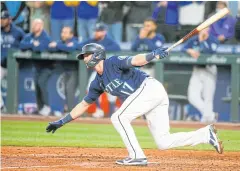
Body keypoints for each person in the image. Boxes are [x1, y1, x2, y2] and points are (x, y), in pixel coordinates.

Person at [46, 43, 223, 166]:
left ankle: (137, 156)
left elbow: (134, 60)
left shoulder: (112, 62)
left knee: (118, 117)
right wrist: (62, 121)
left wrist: (152, 55)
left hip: (150, 89)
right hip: (148, 97)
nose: (84, 58)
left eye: (87, 54)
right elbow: (84, 105)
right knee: (163, 142)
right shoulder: (97, 82)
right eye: (84, 56)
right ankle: (205, 134)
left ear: (97, 54)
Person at [182, 28, 219, 123]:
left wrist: (203, 41)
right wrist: (189, 50)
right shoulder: (194, 39)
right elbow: (183, 48)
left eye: (206, 28)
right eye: (203, 28)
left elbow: (210, 53)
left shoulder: (213, 39)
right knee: (192, 96)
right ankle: (210, 115)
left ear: (209, 29)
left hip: (209, 69)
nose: (204, 30)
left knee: (208, 97)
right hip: (197, 69)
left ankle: (207, 118)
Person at [20, 19, 52, 116]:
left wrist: (33, 46)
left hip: (47, 65)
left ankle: (47, 106)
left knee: (41, 83)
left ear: (41, 26)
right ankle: (40, 108)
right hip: (36, 66)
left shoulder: (45, 37)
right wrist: (32, 44)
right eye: (33, 24)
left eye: (36, 25)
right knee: (37, 87)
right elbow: (21, 45)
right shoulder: (30, 36)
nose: (33, 26)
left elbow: (41, 48)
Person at [48, 26, 78, 114]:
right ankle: (68, 109)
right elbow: (50, 48)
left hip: (76, 70)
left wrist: (57, 45)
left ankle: (71, 111)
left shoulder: (74, 42)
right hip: (66, 70)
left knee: (69, 89)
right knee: (65, 90)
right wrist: (59, 45)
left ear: (71, 34)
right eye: (62, 32)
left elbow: (70, 49)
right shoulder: (61, 42)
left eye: (65, 32)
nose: (63, 34)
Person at [1, 10, 25, 110]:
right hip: (1, 64)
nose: (1, 21)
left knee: (16, 88)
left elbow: (26, 42)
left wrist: (19, 50)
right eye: (0, 19)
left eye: (3, 19)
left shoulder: (18, 32)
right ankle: (1, 105)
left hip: (14, 65)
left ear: (9, 20)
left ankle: (18, 107)